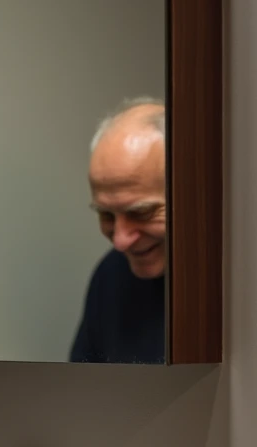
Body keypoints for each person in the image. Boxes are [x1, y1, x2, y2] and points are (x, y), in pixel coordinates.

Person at [70, 99, 167, 364]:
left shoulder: (249, 285)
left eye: (141, 212)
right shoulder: (112, 275)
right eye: (106, 215)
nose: (121, 241)